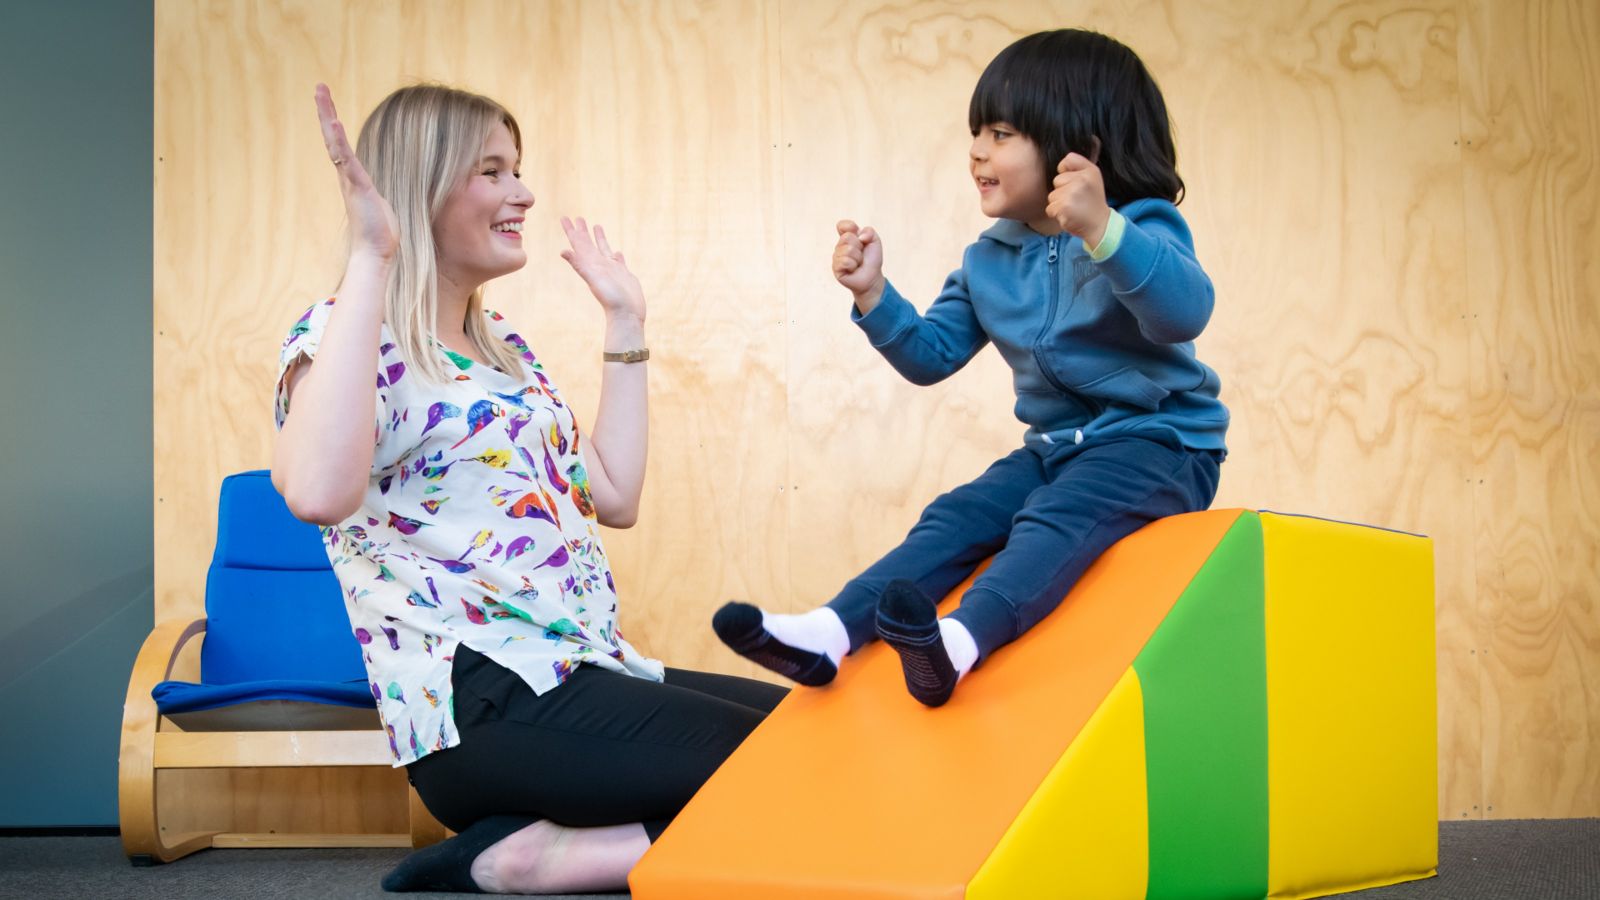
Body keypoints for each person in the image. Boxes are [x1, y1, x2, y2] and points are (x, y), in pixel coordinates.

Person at [272, 83, 786, 894]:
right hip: (480, 703)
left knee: (816, 739)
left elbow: (612, 495)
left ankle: (531, 852)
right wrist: (373, 256)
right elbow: (315, 494)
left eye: (519, 169)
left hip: (581, 668)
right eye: (493, 171)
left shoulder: (501, 349)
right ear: (423, 186)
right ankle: (540, 857)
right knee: (792, 773)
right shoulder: (340, 335)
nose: (525, 193)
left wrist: (625, 324)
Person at [714, 29, 1228, 707]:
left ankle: (956, 643)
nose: (977, 151)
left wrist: (1104, 231)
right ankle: (830, 632)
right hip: (1053, 450)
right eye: (976, 133)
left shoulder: (1141, 228)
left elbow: (1182, 314)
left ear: (1084, 151)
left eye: (1002, 132)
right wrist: (873, 293)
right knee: (955, 516)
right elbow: (932, 356)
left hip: (1161, 446)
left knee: (1054, 519)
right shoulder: (990, 258)